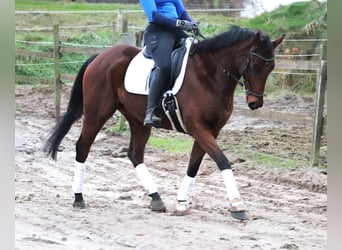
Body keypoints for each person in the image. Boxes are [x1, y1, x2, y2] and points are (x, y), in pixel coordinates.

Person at [139, 0, 200, 128]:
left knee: (198, 56)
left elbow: (181, 12)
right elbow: (154, 16)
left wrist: (191, 22)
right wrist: (180, 23)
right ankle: (150, 111)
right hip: (158, 31)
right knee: (164, 66)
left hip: (176, 32)